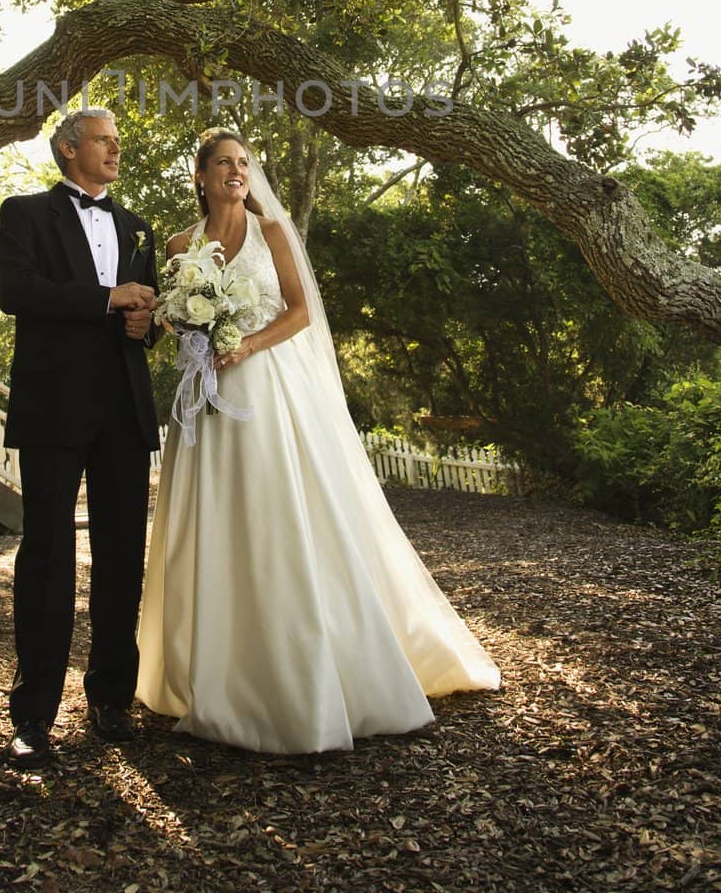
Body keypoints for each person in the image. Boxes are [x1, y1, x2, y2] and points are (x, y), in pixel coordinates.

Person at [137, 129, 500, 754]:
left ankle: (310, 672)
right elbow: (171, 318)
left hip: (269, 387)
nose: (236, 170)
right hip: (206, 398)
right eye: (223, 162)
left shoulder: (271, 231)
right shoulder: (177, 246)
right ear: (198, 176)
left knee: (281, 513)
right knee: (213, 521)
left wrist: (242, 343)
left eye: (244, 163)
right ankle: (217, 676)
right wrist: (187, 328)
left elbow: (301, 311)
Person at [0, 107, 159, 769]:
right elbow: (15, 291)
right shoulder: (23, 213)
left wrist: (143, 320)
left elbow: (139, 310)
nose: (115, 150)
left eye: (118, 142)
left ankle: (111, 697)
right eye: (103, 141)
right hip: (53, 406)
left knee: (123, 556)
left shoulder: (137, 226)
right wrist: (107, 298)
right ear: (68, 149)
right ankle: (33, 714)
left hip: (123, 409)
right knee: (47, 556)